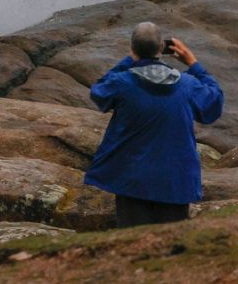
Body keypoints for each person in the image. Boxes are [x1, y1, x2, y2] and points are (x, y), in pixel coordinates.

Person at [84, 21, 224, 227]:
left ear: (133, 49)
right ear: (161, 48)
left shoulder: (121, 83)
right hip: (175, 181)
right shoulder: (188, 85)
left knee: (133, 242)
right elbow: (214, 103)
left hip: (131, 180)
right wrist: (193, 63)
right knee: (169, 243)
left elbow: (99, 91)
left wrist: (128, 60)